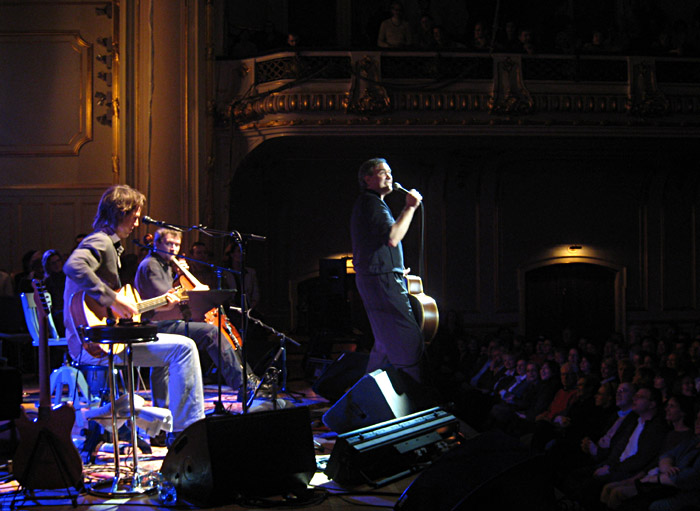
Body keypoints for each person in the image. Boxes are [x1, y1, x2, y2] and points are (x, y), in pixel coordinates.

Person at [63, 185, 205, 443]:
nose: (138, 223)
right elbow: (73, 266)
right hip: (95, 344)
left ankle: (176, 428)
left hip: (104, 339)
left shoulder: (107, 242)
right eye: (135, 216)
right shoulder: (100, 240)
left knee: (180, 347)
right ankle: (187, 433)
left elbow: (112, 308)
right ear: (120, 211)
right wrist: (114, 298)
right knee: (184, 348)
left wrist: (143, 306)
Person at [134, 228, 247, 398]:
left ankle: (162, 405)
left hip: (165, 322)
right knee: (212, 333)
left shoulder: (165, 265)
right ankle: (242, 385)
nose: (173, 249)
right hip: (155, 325)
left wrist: (177, 273)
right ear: (157, 244)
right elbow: (168, 300)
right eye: (169, 244)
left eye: (177, 245)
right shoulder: (151, 265)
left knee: (161, 365)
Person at [350, 157, 424, 382]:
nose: (390, 176)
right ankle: (415, 401)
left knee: (383, 344)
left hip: (375, 277)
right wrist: (410, 207)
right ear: (367, 178)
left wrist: (393, 267)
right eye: (383, 172)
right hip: (381, 280)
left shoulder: (368, 204)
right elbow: (393, 237)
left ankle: (362, 401)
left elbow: (375, 244)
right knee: (409, 340)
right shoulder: (371, 203)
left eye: (390, 172)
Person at [41, 249, 66, 335]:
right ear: (48, 265)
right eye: (53, 263)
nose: (57, 265)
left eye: (58, 261)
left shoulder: (68, 277)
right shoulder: (47, 282)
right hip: (56, 313)